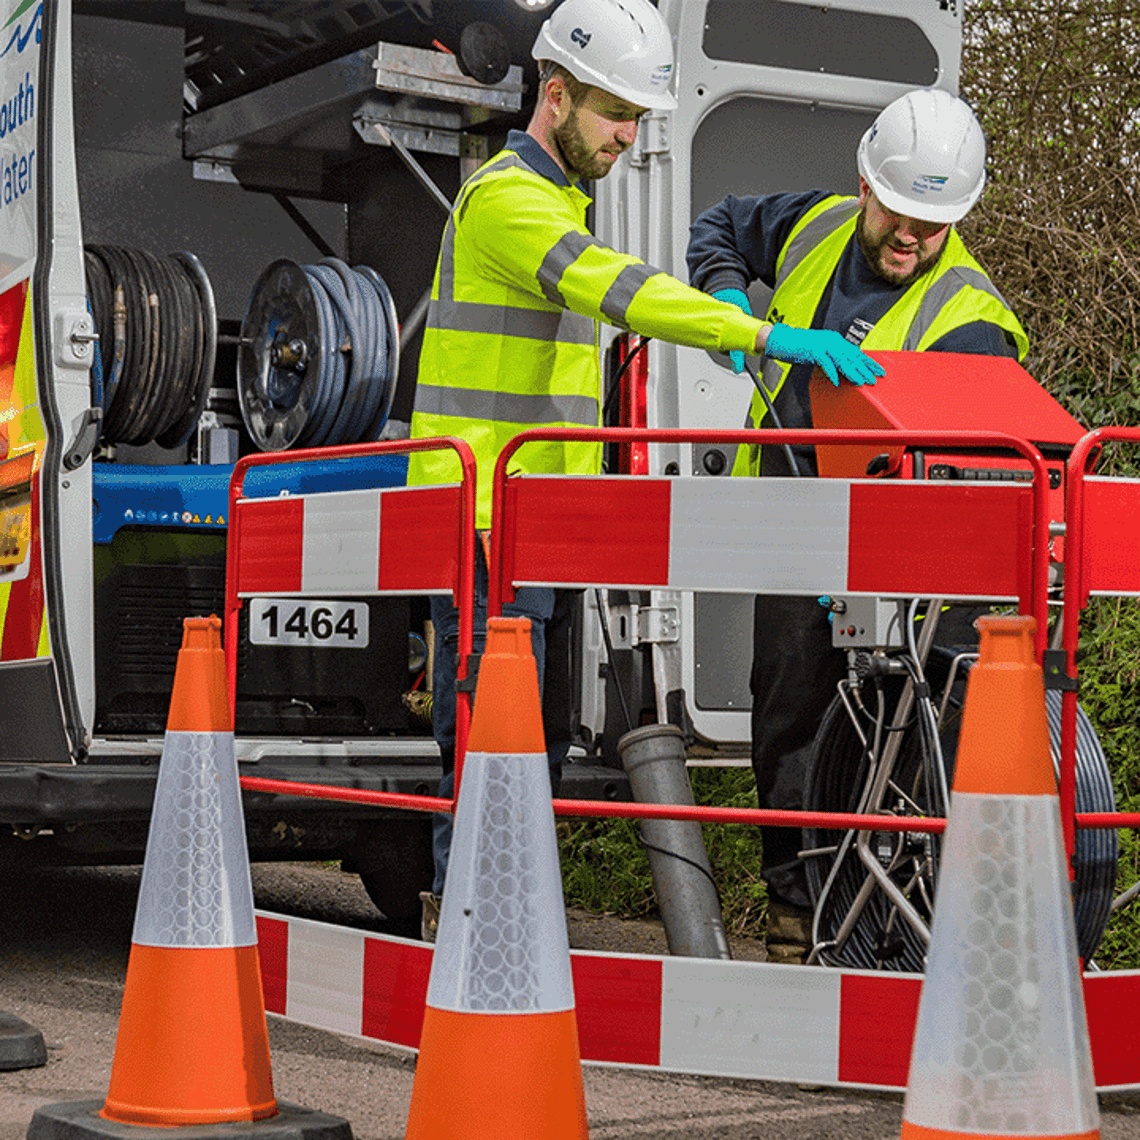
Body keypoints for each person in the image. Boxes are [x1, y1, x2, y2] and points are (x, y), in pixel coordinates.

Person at [406, 0, 878, 941]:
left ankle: (497, 923)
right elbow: (621, 291)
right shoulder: (506, 200)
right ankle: (475, 934)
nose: (629, 135)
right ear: (555, 94)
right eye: (616, 113)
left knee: (518, 739)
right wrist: (757, 331)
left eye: (637, 118)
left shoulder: (552, 203)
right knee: (490, 738)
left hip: (528, 522)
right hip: (481, 524)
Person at [685, 87, 1029, 964]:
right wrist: (731, 307)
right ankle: (797, 916)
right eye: (901, 215)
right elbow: (720, 224)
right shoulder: (814, 226)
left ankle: (873, 920)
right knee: (787, 717)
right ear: (867, 186)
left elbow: (967, 473)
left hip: (891, 548)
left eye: (935, 222)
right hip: (788, 519)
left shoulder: (972, 320)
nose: (913, 238)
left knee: (882, 733)